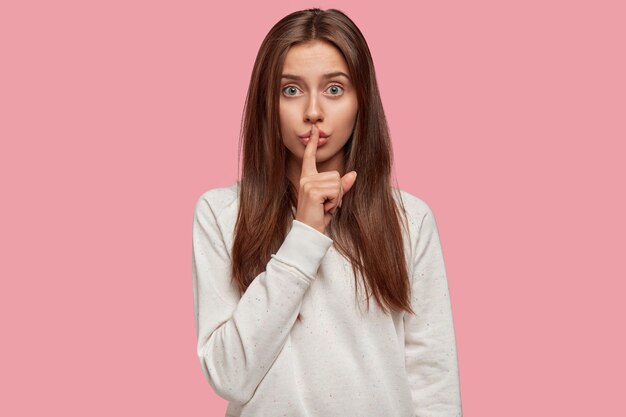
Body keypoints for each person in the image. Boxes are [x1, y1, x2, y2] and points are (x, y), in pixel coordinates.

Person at [192, 7, 462, 417]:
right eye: (291, 90)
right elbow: (228, 375)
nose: (313, 111)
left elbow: (433, 380)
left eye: (334, 89)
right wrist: (303, 234)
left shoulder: (409, 219)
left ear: (361, 101)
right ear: (268, 102)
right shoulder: (221, 213)